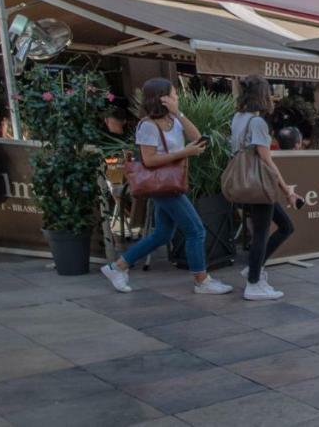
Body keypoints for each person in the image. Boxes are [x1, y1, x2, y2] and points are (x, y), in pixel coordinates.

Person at [101, 78, 233, 296]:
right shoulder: (147, 126)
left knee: (162, 234)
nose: (177, 97)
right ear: (161, 98)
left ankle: (118, 267)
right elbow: (149, 160)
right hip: (161, 184)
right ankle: (202, 280)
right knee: (196, 230)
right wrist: (184, 153)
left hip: (171, 183)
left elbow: (197, 137)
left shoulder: (174, 121)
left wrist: (178, 112)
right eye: (173, 95)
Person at [230, 75, 300, 301]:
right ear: (263, 95)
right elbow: (266, 161)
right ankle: (253, 283)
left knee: (284, 226)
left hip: (245, 183)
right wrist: (286, 188)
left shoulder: (238, 118)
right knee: (263, 232)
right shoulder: (257, 123)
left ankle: (254, 268)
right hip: (259, 184)